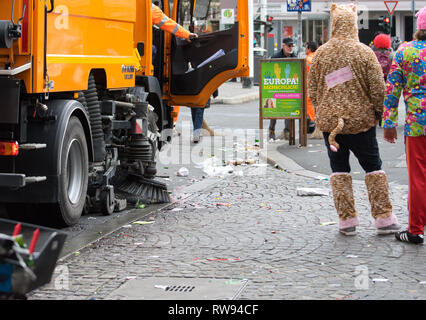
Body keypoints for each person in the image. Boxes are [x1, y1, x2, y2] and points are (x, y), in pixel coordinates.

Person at [307, 3, 400, 236]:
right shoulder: (364, 52)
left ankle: (346, 221)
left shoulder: (321, 54)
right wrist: (379, 113)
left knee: (339, 170)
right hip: (360, 121)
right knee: (372, 167)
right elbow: (378, 88)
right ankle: (384, 218)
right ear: (353, 25)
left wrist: (322, 110)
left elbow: (313, 90)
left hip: (331, 125)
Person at [383, 7, 426, 244]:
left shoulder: (405, 51)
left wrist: (389, 122)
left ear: (419, 27)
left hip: (417, 124)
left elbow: (392, 89)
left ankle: (416, 229)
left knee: (419, 177)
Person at [269, 37, 296, 141]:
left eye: (292, 46)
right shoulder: (275, 57)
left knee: (288, 109)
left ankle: (287, 131)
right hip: (276, 87)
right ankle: (271, 131)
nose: (290, 48)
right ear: (283, 46)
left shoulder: (294, 57)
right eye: (288, 46)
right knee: (273, 110)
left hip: (288, 88)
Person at [305, 41, 318, 134]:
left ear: (309, 49)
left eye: (306, 48)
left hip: (308, 85)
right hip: (318, 85)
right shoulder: (318, 57)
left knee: (309, 104)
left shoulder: (308, 59)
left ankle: (312, 122)